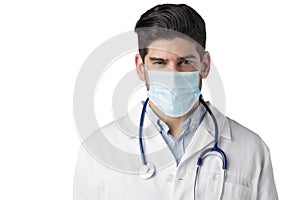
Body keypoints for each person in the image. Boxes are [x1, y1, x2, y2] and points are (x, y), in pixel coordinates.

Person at [73, 4, 278, 200]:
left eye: (185, 62)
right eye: (159, 63)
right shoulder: (98, 150)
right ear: (140, 67)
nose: (172, 75)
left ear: (204, 65)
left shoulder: (251, 148)